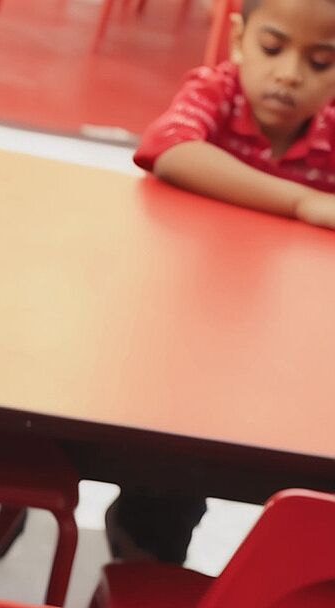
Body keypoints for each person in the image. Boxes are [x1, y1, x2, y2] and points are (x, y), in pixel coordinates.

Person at [110, 0, 335, 564]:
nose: (289, 74)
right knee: (167, 477)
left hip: (290, 356)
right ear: (238, 38)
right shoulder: (217, 90)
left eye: (322, 61)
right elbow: (170, 150)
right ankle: (142, 571)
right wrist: (305, 201)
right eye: (272, 48)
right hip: (193, 336)